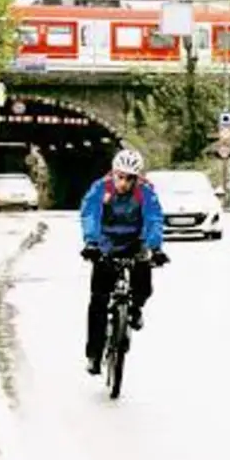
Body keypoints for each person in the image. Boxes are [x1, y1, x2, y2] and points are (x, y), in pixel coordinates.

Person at [80, 149, 168, 375]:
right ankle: (94, 354)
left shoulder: (145, 192)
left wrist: (155, 247)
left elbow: (154, 218)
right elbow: (89, 213)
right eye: (121, 176)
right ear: (113, 173)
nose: (124, 183)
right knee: (98, 301)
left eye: (130, 178)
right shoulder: (101, 188)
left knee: (144, 286)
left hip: (134, 242)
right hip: (106, 242)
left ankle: (135, 308)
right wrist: (91, 243)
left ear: (137, 178)